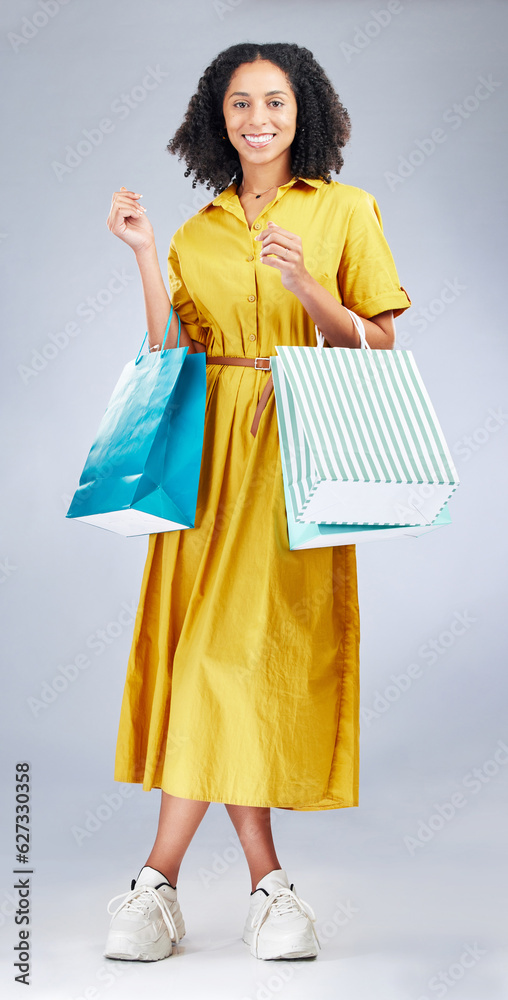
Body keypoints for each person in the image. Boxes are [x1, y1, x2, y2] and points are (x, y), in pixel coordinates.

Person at [103, 41, 411, 964]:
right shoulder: (198, 229)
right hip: (210, 458)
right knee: (213, 658)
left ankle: (163, 882)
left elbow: (381, 343)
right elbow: (169, 352)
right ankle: (265, 892)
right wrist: (146, 253)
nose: (257, 119)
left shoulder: (348, 211)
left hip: (299, 450)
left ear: (302, 110)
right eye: (240, 104)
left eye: (274, 101)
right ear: (218, 118)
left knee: (232, 659)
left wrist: (308, 286)